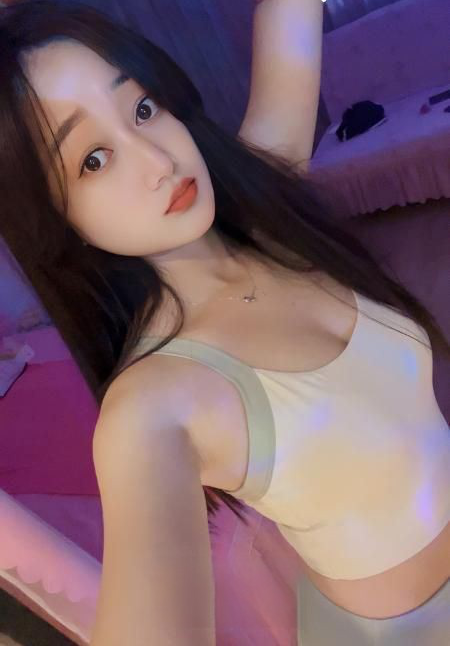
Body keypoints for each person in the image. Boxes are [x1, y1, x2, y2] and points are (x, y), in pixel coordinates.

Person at [0, 1, 448, 645]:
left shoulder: (263, 210)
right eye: (93, 159)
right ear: (55, 221)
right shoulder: (154, 407)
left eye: (142, 107)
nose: (157, 159)